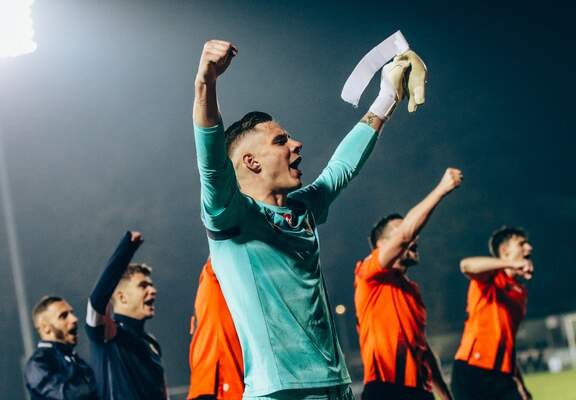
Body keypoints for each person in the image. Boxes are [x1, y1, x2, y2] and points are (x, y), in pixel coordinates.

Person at [192, 38, 427, 399]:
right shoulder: (231, 215)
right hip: (280, 392)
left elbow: (342, 167)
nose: (296, 144)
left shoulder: (301, 208)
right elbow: (211, 164)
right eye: (280, 141)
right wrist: (206, 81)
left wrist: (386, 97)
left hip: (337, 386)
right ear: (251, 162)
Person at [354, 168, 461, 400]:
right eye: (404, 229)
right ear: (381, 245)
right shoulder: (369, 275)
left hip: (420, 391)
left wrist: (445, 395)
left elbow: (422, 348)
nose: (414, 235)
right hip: (386, 388)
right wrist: (441, 189)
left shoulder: (412, 290)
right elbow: (404, 236)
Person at [451, 226, 534, 400]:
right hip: (473, 370)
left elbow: (509, 342)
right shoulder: (489, 276)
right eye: (521, 244)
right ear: (504, 251)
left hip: (502, 376)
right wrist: (510, 264)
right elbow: (466, 265)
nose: (529, 248)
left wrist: (520, 383)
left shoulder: (520, 292)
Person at [85, 231, 167, 400]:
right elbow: (96, 302)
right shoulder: (110, 334)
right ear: (122, 297)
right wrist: (126, 249)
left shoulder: (150, 341)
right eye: (143, 286)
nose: (153, 290)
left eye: (151, 285)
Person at [187, 258, 244, 400]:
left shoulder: (211, 291)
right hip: (219, 385)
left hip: (211, 384)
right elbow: (221, 254)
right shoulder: (212, 275)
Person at [24, 295, 99, 400]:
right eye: (63, 316)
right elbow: (64, 395)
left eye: (71, 313)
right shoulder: (38, 364)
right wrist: (101, 385)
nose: (74, 319)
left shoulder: (77, 361)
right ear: (45, 327)